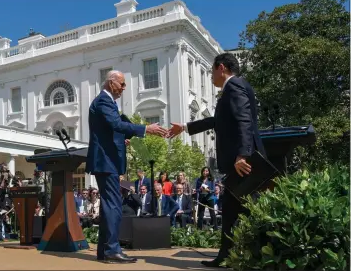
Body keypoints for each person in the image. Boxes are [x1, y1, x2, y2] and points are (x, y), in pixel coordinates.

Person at [168, 53, 266, 267]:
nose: (211, 76)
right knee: (231, 210)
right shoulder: (233, 88)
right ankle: (226, 256)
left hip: (242, 163)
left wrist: (242, 154)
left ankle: (260, 256)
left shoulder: (235, 86)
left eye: (212, 71)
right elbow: (217, 120)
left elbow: (244, 120)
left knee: (251, 210)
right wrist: (185, 127)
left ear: (221, 68)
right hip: (237, 162)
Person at [86, 70, 167, 263]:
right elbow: (115, 124)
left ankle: (105, 250)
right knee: (113, 205)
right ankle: (112, 250)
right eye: (121, 84)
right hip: (106, 162)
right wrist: (146, 129)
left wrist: (122, 138)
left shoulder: (107, 103)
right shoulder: (104, 101)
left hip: (107, 161)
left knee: (109, 206)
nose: (124, 88)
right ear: (111, 83)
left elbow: (109, 129)